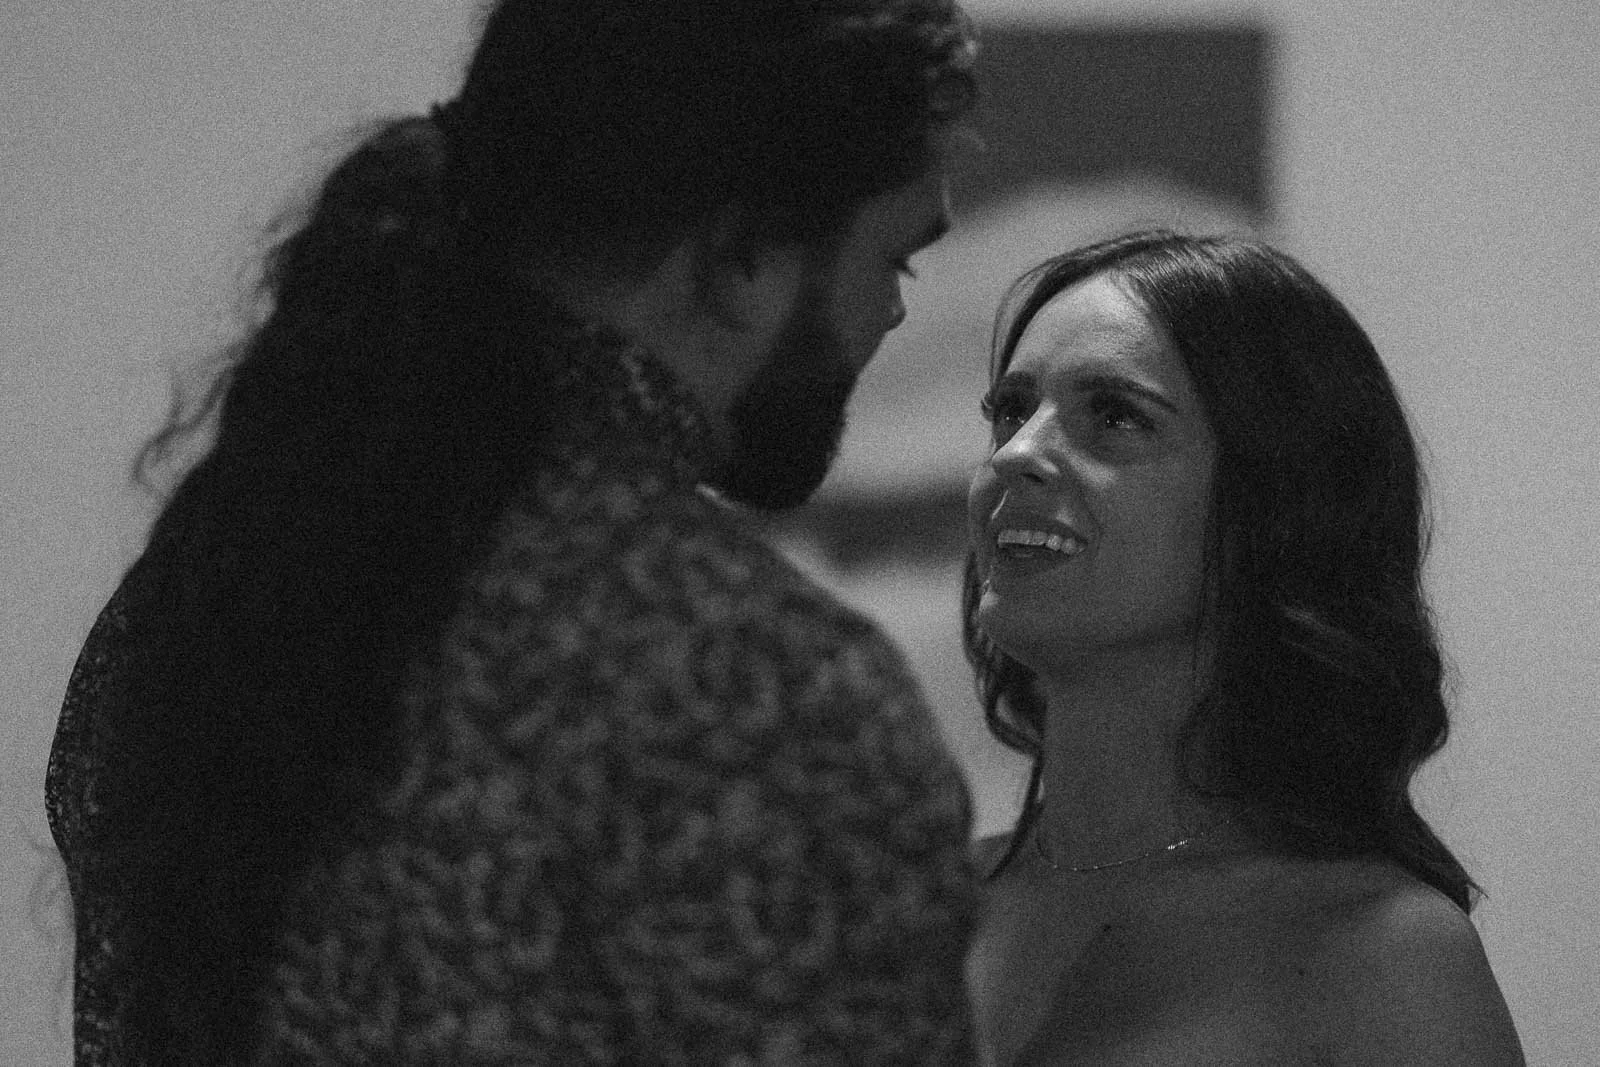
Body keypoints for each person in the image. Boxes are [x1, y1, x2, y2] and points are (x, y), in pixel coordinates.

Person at [45, 1, 980, 1061]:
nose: (892, 314)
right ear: (743, 257)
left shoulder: (205, 602)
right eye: (894, 260)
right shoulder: (743, 677)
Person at [960, 231, 1525, 1065]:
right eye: (1011, 409)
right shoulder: (904, 903)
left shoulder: (1385, 955)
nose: (1015, 455)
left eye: (1113, 415)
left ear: (1276, 504)